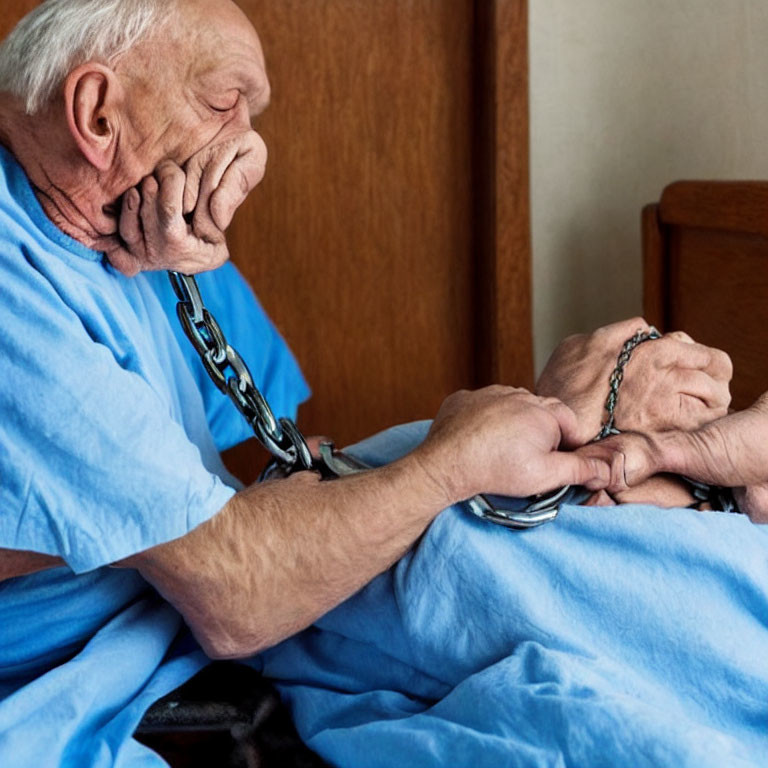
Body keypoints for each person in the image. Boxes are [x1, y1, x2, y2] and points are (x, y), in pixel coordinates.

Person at [0, 1, 750, 766]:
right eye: (224, 103)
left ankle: (692, 482)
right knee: (500, 547)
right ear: (96, 114)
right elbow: (238, 593)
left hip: (203, 602)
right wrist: (457, 460)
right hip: (137, 653)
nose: (248, 150)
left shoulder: (122, 229)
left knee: (541, 528)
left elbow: (210, 480)